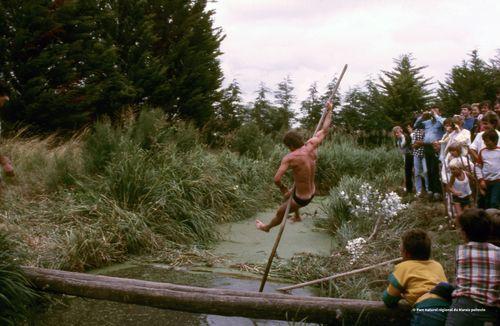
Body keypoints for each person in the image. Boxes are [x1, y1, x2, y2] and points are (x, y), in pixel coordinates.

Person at [256, 101, 333, 232]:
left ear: (290, 146)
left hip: (302, 199)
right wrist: (330, 110)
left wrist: (283, 189)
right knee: (289, 194)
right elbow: (325, 130)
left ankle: (266, 228)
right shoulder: (312, 144)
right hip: (312, 191)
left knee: (280, 211)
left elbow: (276, 179)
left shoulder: (290, 158)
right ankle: (297, 216)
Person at [383, 229, 452, 326]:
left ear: (406, 253)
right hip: (448, 308)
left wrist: (400, 295)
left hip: (426, 310)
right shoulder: (437, 265)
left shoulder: (403, 267)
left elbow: (388, 299)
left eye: (401, 250)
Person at [445, 209, 499, 326]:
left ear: (464, 233)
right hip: (489, 312)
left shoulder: (461, 251)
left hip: (462, 308)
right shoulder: (498, 253)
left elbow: (458, 280)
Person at [416, 107, 445, 201]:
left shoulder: (442, 120)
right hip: (427, 147)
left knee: (435, 170)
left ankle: (437, 191)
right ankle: (431, 190)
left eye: (435, 110)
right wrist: (421, 117)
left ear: (440, 112)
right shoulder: (427, 122)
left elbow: (444, 124)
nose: (432, 112)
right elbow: (416, 125)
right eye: (432, 110)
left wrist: (436, 115)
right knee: (428, 170)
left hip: (436, 147)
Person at [475, 129, 500, 209]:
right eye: (484, 141)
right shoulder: (482, 152)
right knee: (486, 202)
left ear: (494, 141)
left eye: (487, 141)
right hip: (486, 182)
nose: (485, 143)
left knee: (494, 202)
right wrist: (481, 179)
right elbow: (478, 167)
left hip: (498, 181)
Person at [393, 125, 413, 194]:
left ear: (401, 130)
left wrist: (402, 136)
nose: (396, 134)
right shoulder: (398, 139)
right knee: (407, 172)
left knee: (409, 172)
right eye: (395, 133)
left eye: (397, 132)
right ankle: (409, 188)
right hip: (404, 156)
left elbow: (403, 145)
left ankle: (410, 189)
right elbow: (399, 147)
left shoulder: (405, 136)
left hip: (409, 155)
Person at [412, 121, 430, 197]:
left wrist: (420, 143)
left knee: (426, 171)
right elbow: (414, 144)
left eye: (423, 129)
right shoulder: (416, 132)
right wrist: (422, 142)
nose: (421, 130)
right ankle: (418, 191)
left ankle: (428, 189)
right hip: (416, 154)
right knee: (417, 173)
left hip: (425, 154)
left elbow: (428, 142)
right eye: (420, 129)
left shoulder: (428, 131)